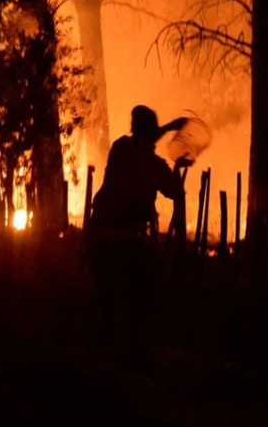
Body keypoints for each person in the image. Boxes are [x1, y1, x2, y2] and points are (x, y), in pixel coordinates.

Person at [86, 105, 189, 361]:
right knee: (139, 296)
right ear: (151, 133)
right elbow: (176, 192)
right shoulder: (154, 165)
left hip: (99, 232)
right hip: (125, 239)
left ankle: (107, 354)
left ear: (134, 128)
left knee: (106, 297)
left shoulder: (121, 148)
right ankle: (133, 353)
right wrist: (177, 165)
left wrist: (167, 128)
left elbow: (143, 140)